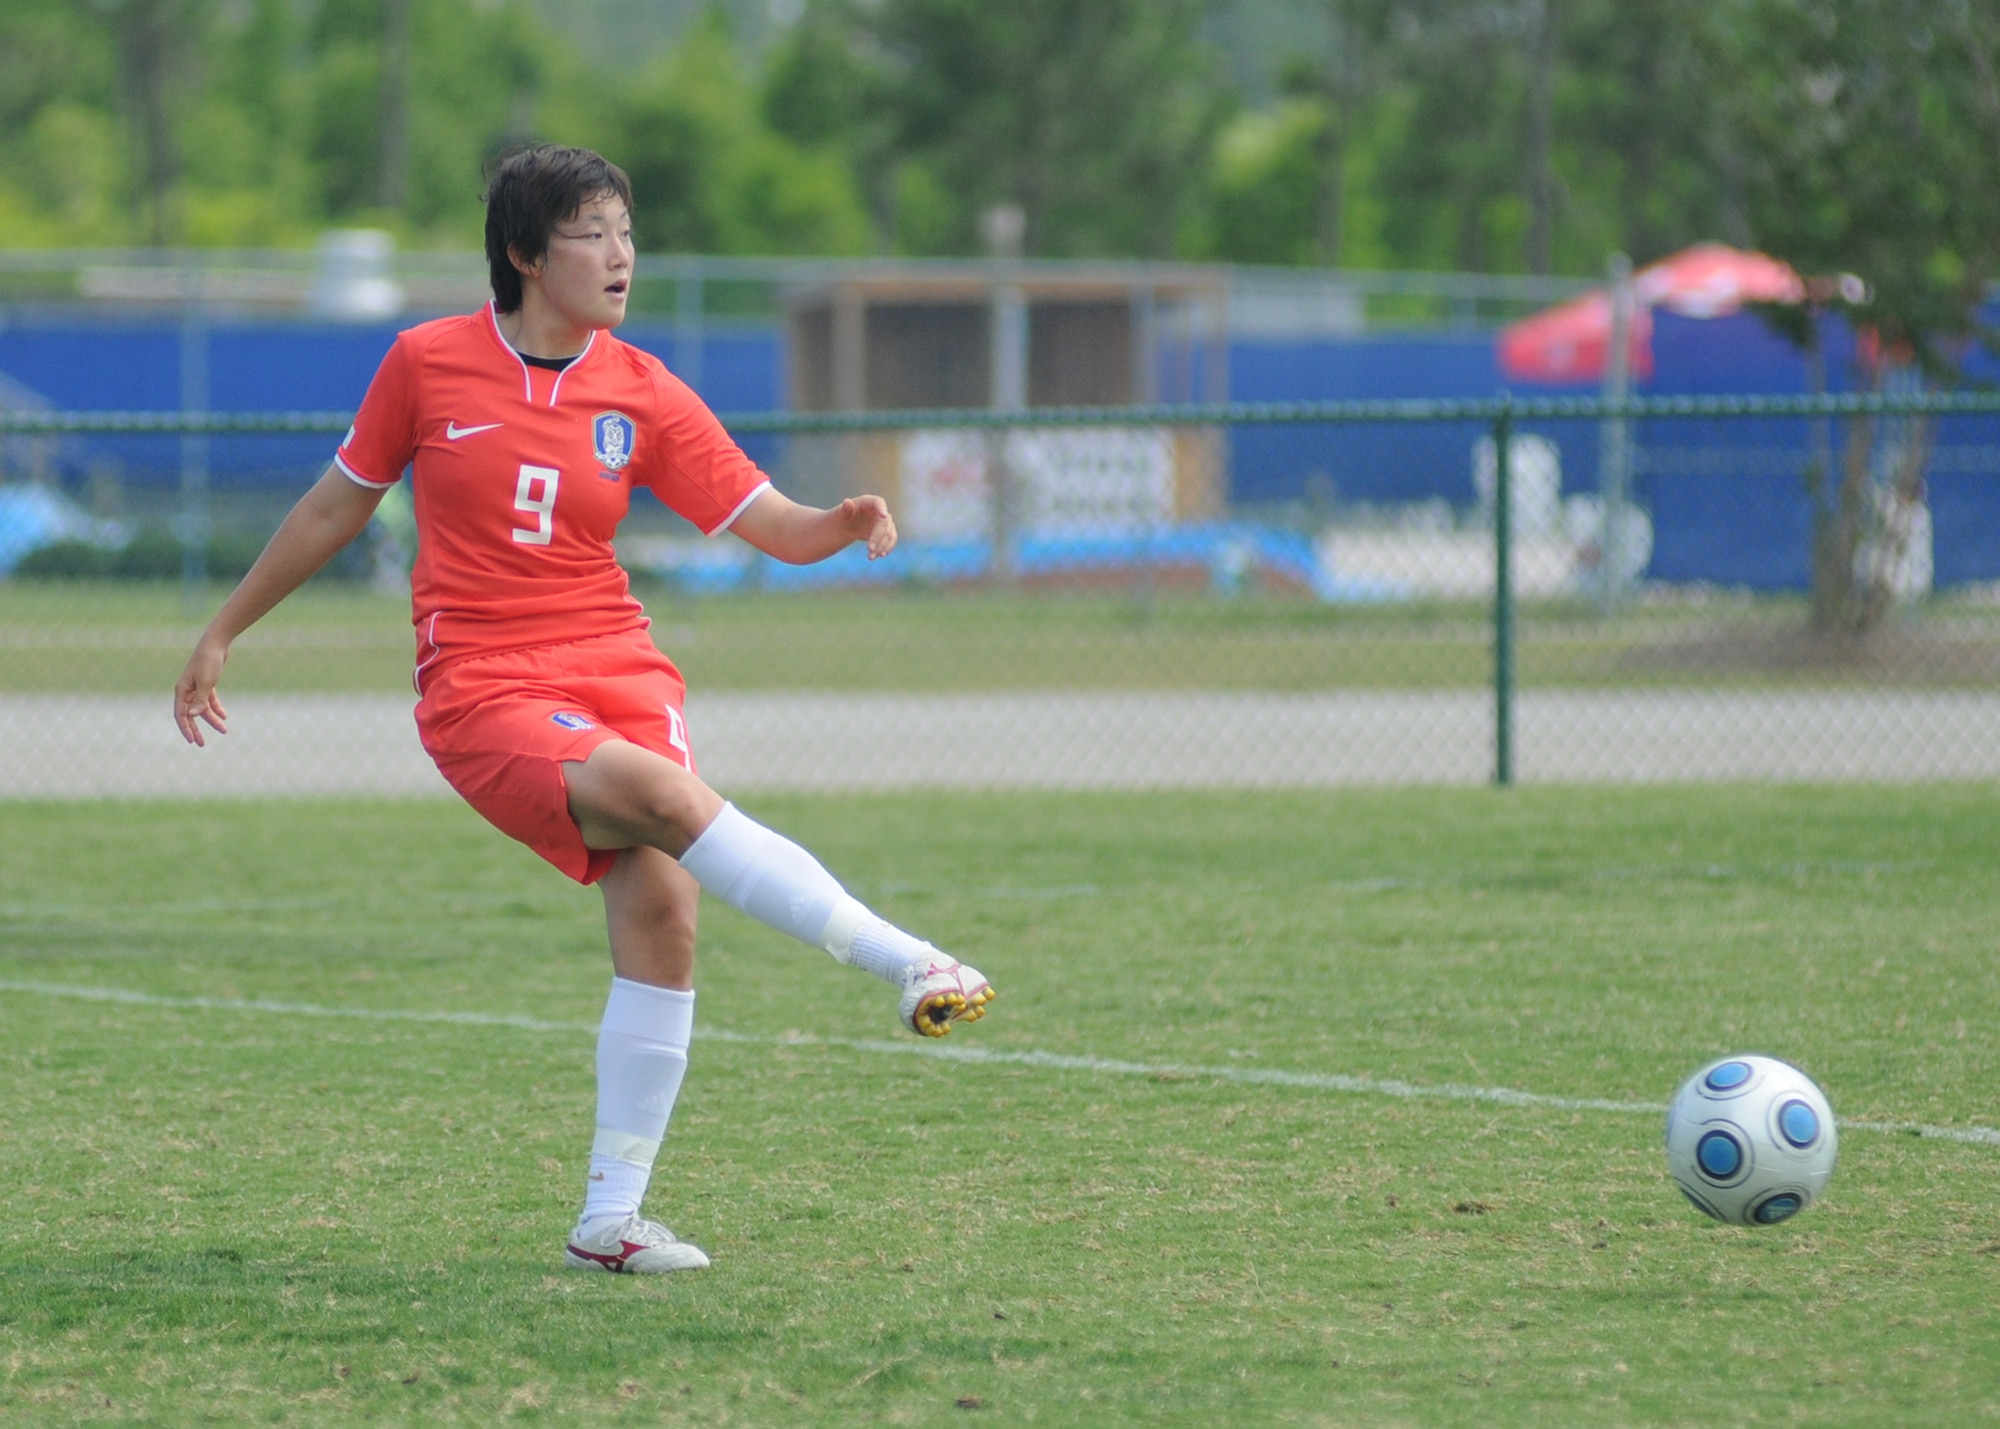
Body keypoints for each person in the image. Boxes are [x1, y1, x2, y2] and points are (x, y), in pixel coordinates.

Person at [173, 145, 994, 1276]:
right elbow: (331, 507)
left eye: (625, 231)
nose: (620, 256)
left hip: (617, 666)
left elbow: (773, 523)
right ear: (522, 253)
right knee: (660, 797)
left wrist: (841, 520)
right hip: (483, 686)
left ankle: (609, 1219)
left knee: (664, 913)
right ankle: (911, 959)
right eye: (591, 234)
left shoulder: (641, 386)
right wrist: (223, 630)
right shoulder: (425, 362)